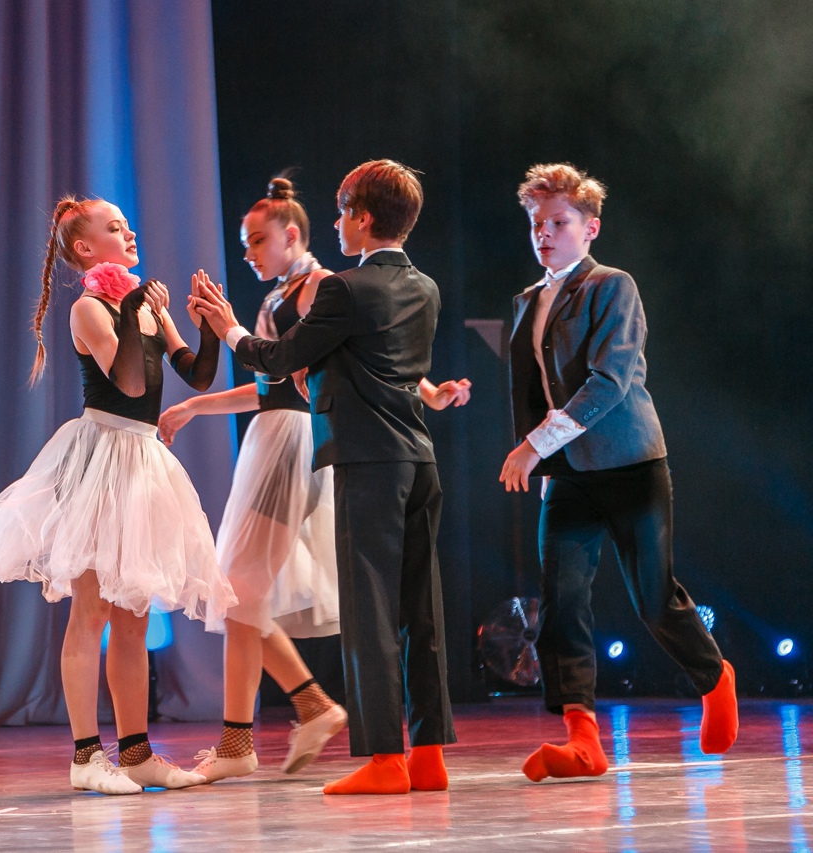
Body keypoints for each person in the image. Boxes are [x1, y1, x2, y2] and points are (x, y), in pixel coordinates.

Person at [160, 177, 470, 782]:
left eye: (341, 212)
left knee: (365, 611)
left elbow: (279, 363)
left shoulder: (336, 287)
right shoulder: (424, 286)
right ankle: (424, 754)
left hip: (355, 456)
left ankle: (380, 756)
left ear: (360, 218)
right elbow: (376, 363)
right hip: (413, 457)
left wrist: (228, 328)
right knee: (419, 610)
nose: (336, 223)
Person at [0, 197, 234, 795]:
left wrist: (209, 328)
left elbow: (194, 373)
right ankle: (86, 755)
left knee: (134, 617)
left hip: (142, 459)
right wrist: (135, 308)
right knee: (91, 612)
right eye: (115, 228)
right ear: (85, 248)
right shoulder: (89, 309)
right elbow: (129, 383)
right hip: (101, 458)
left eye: (127, 224)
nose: (129, 232)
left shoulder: (144, 304)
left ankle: (136, 753)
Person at [499, 163, 738, 781]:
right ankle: (583, 739)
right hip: (568, 474)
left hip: (631, 463)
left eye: (558, 222)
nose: (544, 234)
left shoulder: (612, 286)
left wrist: (533, 447)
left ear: (591, 228)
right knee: (561, 602)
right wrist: (545, 462)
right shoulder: (526, 300)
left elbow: (610, 381)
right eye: (536, 224)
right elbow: (531, 393)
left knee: (652, 598)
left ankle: (715, 677)